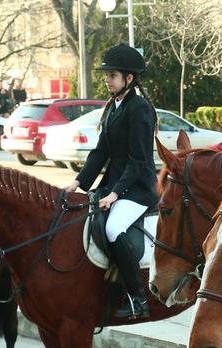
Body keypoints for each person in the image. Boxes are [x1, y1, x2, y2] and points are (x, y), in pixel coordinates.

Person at [64, 43, 157, 320]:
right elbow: (101, 152)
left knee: (115, 228)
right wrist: (78, 182)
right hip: (115, 183)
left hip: (138, 187)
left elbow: (138, 160)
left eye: (112, 75)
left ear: (129, 78)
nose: (107, 79)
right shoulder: (113, 106)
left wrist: (117, 193)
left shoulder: (139, 109)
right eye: (106, 75)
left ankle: (137, 297)